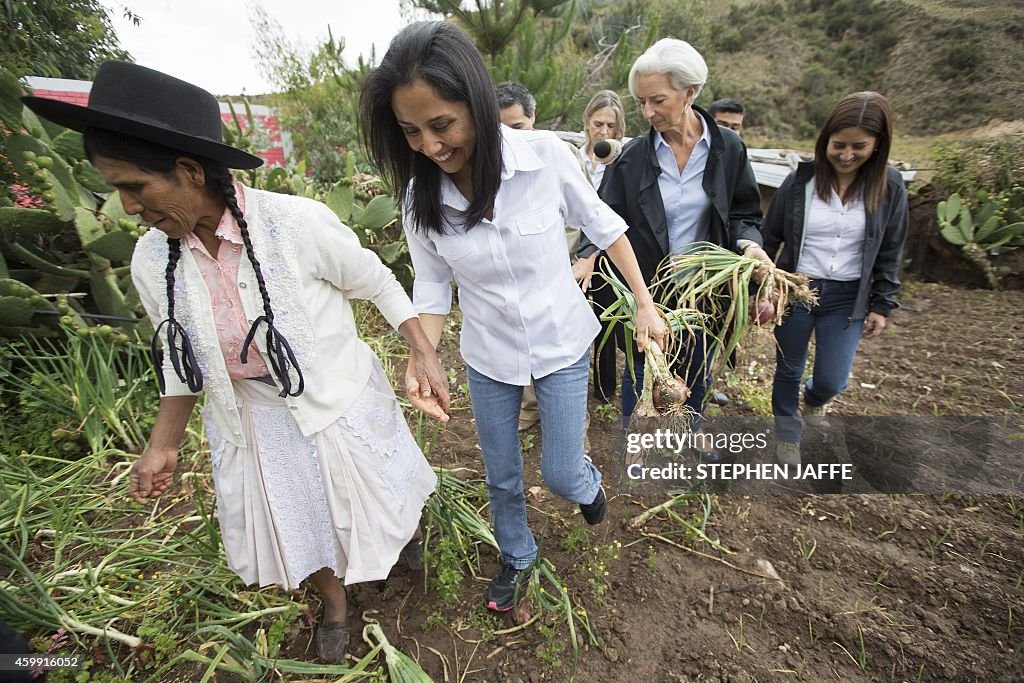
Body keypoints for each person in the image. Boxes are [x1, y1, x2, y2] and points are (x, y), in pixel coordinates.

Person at [22, 61, 450, 664]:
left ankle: (401, 536)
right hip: (252, 416)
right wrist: (163, 443)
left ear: (190, 171)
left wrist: (421, 347)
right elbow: (182, 360)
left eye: (136, 187)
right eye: (115, 188)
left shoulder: (295, 224)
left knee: (381, 489)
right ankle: (334, 604)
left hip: (336, 392)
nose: (126, 207)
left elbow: (376, 280)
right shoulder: (153, 262)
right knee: (299, 514)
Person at [359, 21, 666, 614]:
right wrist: (423, 354)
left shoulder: (546, 158)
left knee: (559, 472)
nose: (429, 146)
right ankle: (518, 553)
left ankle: (587, 486)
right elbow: (431, 284)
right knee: (500, 474)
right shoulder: (419, 198)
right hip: (489, 354)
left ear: (474, 103)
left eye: (441, 125)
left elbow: (607, 228)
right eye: (410, 132)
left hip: (562, 341)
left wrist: (645, 303)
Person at [574, 39, 769, 457]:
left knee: (696, 362)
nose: (647, 113)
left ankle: (689, 431)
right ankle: (639, 443)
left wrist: (749, 244)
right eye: (641, 102)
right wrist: (587, 255)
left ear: (690, 93)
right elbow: (603, 216)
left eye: (657, 100)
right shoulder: (634, 158)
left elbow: (744, 211)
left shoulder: (728, 150)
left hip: (702, 286)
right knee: (643, 365)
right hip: (648, 285)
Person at [763, 91, 908, 467]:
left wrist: (882, 304)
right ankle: (788, 434)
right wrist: (760, 282)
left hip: (847, 296)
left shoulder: (889, 186)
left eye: (858, 146)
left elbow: (891, 249)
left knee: (832, 379)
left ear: (877, 145)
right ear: (825, 140)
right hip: (797, 289)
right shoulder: (801, 182)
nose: (846, 155)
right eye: (838, 145)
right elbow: (770, 235)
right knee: (789, 366)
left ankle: (815, 401)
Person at [495, 81, 591, 434]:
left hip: (563, 267)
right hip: (520, 272)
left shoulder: (557, 153)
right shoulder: (489, 164)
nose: (509, 138)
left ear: (533, 117)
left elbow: (591, 215)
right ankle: (530, 405)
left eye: (517, 127)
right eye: (500, 129)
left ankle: (573, 419)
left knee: (565, 345)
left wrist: (585, 259)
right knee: (521, 338)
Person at [570, 90, 628, 403]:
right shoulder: (574, 158)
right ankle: (573, 385)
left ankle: (605, 389)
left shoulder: (621, 162)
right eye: (598, 124)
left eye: (610, 126)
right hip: (570, 249)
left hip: (607, 251)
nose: (603, 132)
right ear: (587, 122)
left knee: (606, 318)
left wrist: (594, 254)